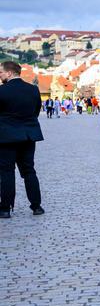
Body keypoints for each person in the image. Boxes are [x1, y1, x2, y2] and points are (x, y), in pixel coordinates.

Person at [0, 61, 44, 218]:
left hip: (6, 137)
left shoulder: (1, 91)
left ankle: (5, 209)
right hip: (28, 135)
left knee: (6, 172)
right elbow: (36, 111)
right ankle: (36, 206)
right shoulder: (33, 90)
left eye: (1, 73)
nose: (0, 76)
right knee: (29, 170)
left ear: (9, 73)